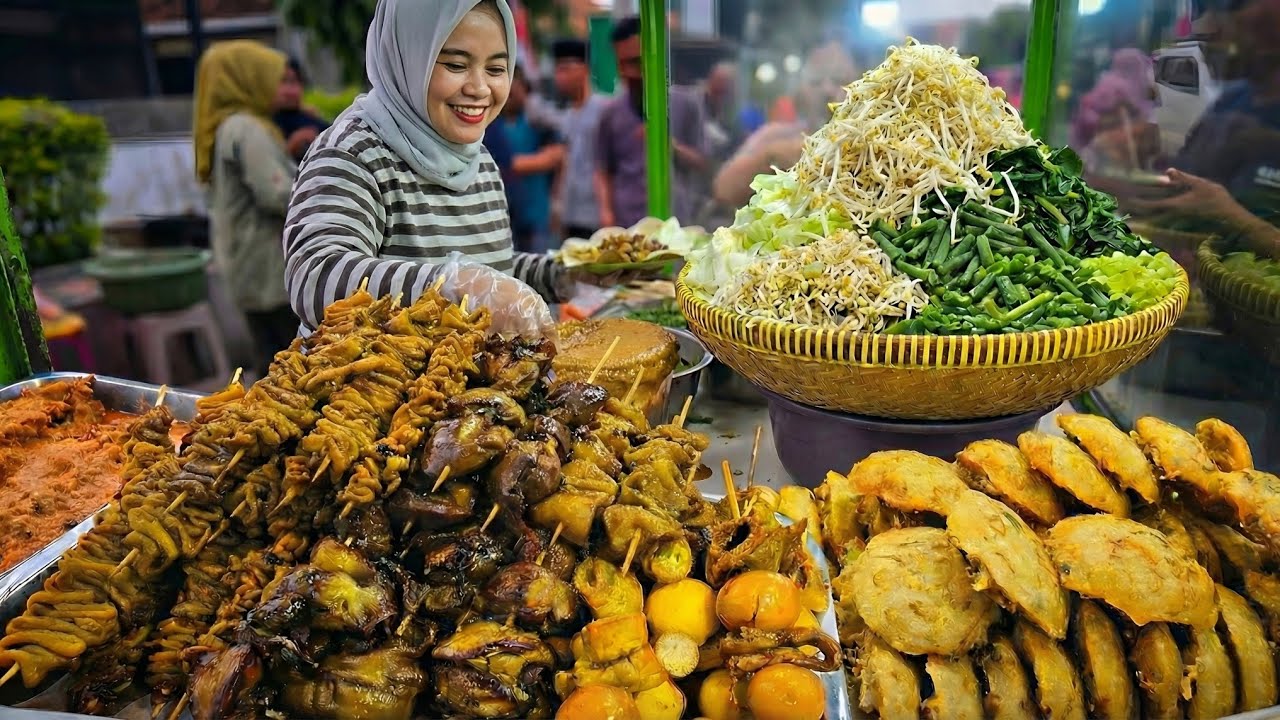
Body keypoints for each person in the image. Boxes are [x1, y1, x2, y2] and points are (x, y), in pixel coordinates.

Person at [283, 0, 588, 340]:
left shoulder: (479, 160)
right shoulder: (352, 152)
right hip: (370, 374)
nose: (479, 88)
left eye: (496, 69)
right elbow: (315, 280)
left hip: (474, 373)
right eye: (456, 65)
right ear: (409, 58)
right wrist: (451, 286)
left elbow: (490, 271)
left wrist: (570, 274)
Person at [1125, 0, 1280, 260]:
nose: (1212, 34)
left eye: (1248, 27)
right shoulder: (1233, 99)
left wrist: (1230, 216)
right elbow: (1186, 173)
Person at [193, 40, 299, 376]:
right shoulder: (247, 128)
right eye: (275, 79)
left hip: (247, 267)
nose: (283, 89)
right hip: (268, 269)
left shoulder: (227, 126)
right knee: (291, 364)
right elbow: (277, 194)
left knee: (270, 359)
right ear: (247, 79)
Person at [594, 15, 708, 228]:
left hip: (676, 226)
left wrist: (669, 144)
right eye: (622, 64)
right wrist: (606, 213)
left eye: (635, 62)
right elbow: (603, 169)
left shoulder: (686, 104)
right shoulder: (610, 113)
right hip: (629, 227)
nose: (629, 72)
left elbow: (703, 162)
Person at [712, 42, 856, 208]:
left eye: (839, 81)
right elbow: (723, 189)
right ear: (801, 91)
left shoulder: (868, 144)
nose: (827, 90)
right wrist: (771, 157)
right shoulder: (777, 136)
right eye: (816, 82)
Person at [493, 65, 565, 254]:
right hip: (502, 214)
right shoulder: (491, 125)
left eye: (515, 91)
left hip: (536, 212)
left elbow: (558, 155)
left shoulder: (537, 121)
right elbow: (503, 164)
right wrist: (537, 161)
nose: (510, 97)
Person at [550, 37, 609, 241]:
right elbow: (563, 163)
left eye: (565, 69)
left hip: (598, 216)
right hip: (571, 215)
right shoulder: (567, 116)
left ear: (584, 69)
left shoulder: (604, 110)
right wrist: (557, 205)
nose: (559, 77)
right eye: (557, 70)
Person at [273, 57, 331, 162]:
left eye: (294, 81)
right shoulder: (265, 124)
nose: (290, 91)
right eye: (282, 82)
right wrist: (290, 147)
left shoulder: (309, 119)